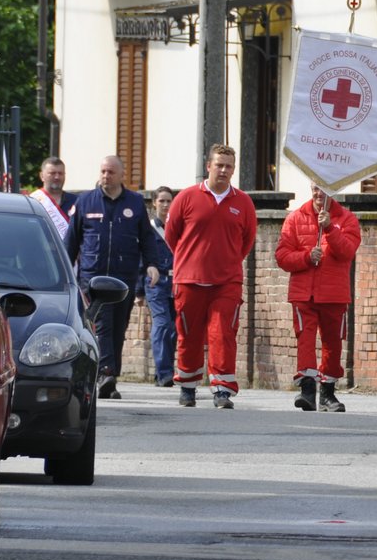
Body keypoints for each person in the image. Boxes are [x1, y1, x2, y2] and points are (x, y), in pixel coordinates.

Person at [66, 155, 168, 399]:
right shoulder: (86, 201)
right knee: (102, 325)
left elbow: (146, 238)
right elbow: (71, 240)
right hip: (93, 279)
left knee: (118, 327)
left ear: (121, 175)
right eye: (102, 171)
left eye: (110, 172)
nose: (105, 176)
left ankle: (110, 377)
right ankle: (105, 373)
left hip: (124, 278)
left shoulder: (134, 202)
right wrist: (63, 270)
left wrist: (152, 265)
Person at [164, 144, 258, 409]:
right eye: (219, 165)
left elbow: (247, 241)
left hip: (226, 281)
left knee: (223, 334)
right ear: (208, 166)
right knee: (189, 334)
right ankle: (188, 386)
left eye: (229, 166)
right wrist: (189, 259)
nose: (224, 170)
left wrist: (226, 261)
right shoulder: (186, 197)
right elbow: (172, 235)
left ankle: (222, 390)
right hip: (189, 279)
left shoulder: (243, 202)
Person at [275, 184, 362, 412]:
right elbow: (282, 256)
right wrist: (305, 257)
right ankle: (307, 389)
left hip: (334, 293)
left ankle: (328, 392)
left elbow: (347, 252)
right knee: (305, 338)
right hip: (304, 293)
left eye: (323, 189)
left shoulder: (347, 219)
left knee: (332, 343)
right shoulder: (295, 218)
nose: (318, 194)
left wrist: (330, 229)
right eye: (315, 188)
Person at [144, 186, 177, 387]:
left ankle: (165, 372)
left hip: (175, 281)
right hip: (155, 282)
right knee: (162, 324)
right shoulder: (148, 229)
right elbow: (142, 257)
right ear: (154, 203)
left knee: (174, 328)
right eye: (162, 201)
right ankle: (164, 373)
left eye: (169, 201)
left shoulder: (177, 227)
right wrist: (139, 291)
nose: (165, 205)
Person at [30, 156, 77, 237]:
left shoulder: (76, 201)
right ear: (42, 176)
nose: (57, 177)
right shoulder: (32, 201)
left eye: (60, 173)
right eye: (52, 173)